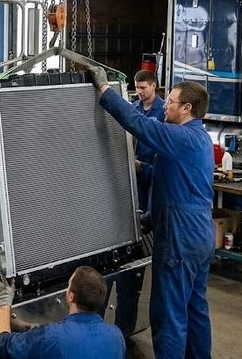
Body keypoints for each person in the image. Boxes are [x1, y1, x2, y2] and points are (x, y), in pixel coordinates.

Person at [88, 67, 214, 359]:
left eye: (170, 101)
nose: (165, 105)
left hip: (180, 238)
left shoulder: (180, 137)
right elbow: (178, 182)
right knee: (195, 309)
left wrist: (105, 90)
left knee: (169, 315)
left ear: (187, 108)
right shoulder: (200, 139)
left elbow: (138, 124)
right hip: (200, 235)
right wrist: (142, 170)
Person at [0, 266, 126, 359]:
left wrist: (4, 303)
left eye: (68, 286)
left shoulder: (50, 337)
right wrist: (30, 327)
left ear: (71, 297)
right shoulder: (116, 335)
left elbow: (1, 346)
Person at [132, 69, 165, 213]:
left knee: (153, 212)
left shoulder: (164, 111)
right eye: (137, 87)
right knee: (137, 210)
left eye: (143, 87)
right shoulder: (133, 109)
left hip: (156, 170)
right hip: (137, 168)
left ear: (153, 86)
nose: (139, 91)